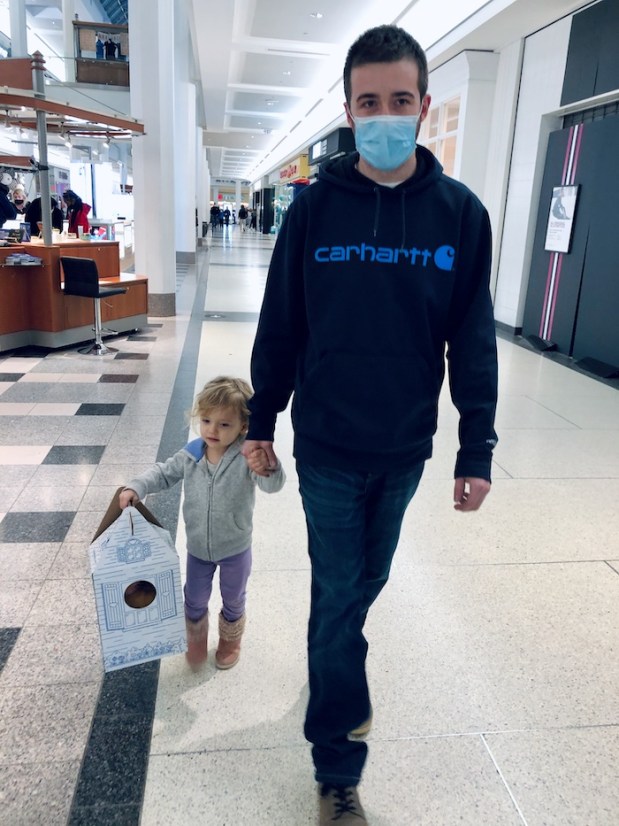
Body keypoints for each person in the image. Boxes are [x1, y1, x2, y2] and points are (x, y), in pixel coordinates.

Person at [242, 24, 498, 825]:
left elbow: (473, 339)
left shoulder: (460, 215)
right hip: (325, 442)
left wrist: (476, 447)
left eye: (399, 99)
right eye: (367, 102)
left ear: (422, 105)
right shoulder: (313, 210)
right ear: (347, 110)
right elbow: (280, 322)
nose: (383, 114)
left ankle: (332, 669)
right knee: (336, 595)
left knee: (359, 589)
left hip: (404, 445)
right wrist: (260, 417)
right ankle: (336, 764)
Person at [119, 376, 285, 671]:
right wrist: (137, 486)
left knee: (234, 598)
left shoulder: (246, 457)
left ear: (243, 427)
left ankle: (231, 640)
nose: (212, 430)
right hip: (197, 548)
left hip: (235, 548)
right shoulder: (191, 454)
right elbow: (163, 473)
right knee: (194, 597)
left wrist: (268, 466)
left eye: (224, 424)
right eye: (206, 420)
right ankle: (195, 637)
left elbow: (272, 486)